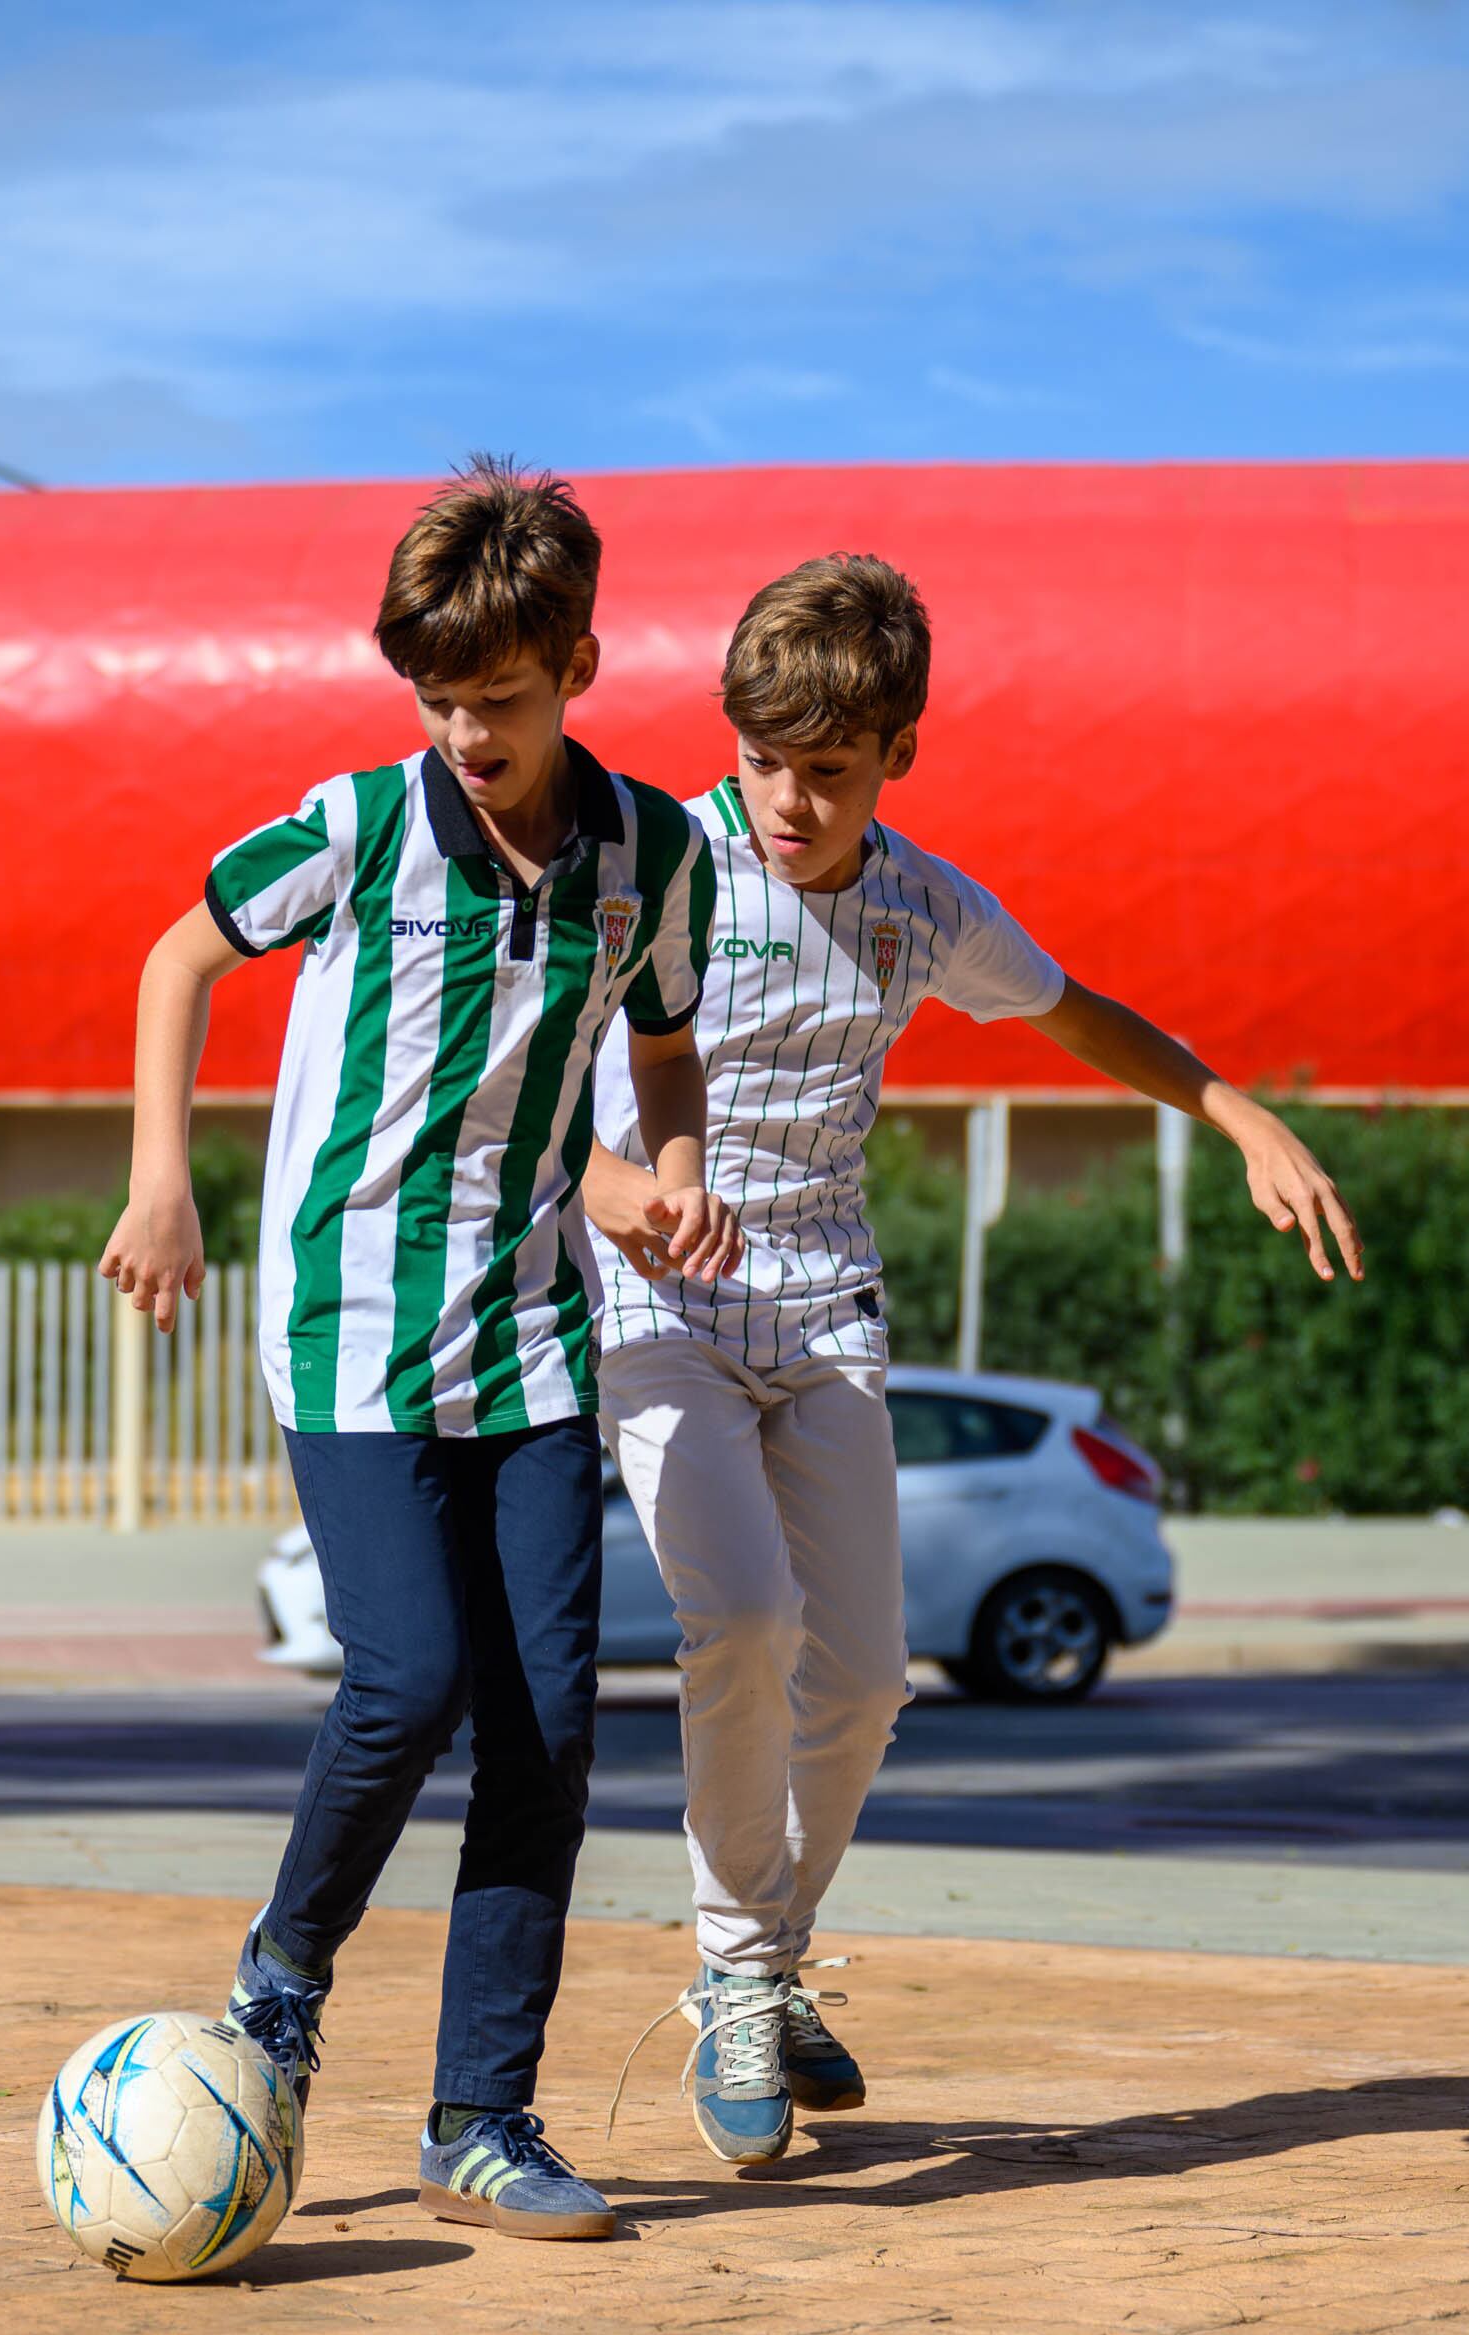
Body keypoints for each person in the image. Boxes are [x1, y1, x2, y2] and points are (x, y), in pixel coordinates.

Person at [582, 552, 1363, 2166]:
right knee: (744, 1622)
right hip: (660, 1308)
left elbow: (1079, 1014)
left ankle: (766, 1962)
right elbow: (519, 1081)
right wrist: (618, 1191)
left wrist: (1235, 1112)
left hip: (825, 1312)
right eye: (763, 762)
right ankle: (742, 1977)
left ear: (900, 755)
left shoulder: (924, 908)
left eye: (829, 771)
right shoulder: (654, 867)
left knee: (868, 1678)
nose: (789, 803)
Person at [99, 459, 739, 2242]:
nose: (468, 732)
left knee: (549, 1727)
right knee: (410, 1679)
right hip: (352, 1332)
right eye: (439, 699)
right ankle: (283, 1978)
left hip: (534, 1337)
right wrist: (163, 1184)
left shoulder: (654, 853)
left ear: (580, 667)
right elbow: (176, 959)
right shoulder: (359, 827)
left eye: (502, 699)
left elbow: (665, 1044)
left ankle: (485, 2115)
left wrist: (674, 1167)